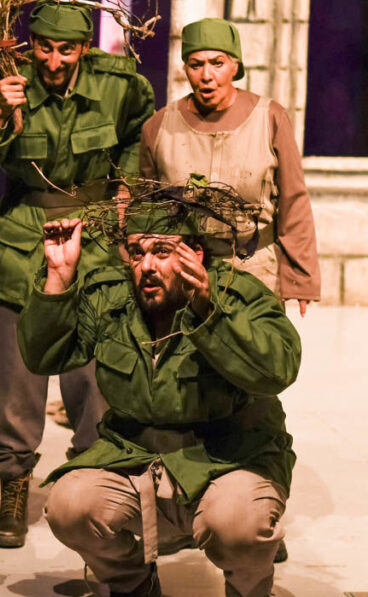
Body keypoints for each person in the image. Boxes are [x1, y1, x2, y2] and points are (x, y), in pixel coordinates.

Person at [22, 200, 299, 597]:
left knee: (237, 526)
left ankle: (250, 590)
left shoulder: (238, 294)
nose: (147, 265)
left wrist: (209, 312)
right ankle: (134, 585)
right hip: (136, 457)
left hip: (227, 460)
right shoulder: (112, 298)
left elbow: (279, 370)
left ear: (196, 253)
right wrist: (59, 278)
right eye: (137, 252)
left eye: (162, 251)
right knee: (69, 508)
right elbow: (44, 356)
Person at [0, 0, 155, 547]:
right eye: (44, 47)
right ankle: (13, 482)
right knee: (18, 374)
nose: (53, 60)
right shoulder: (5, 81)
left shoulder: (118, 85)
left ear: (85, 49)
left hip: (95, 238)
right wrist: (0, 116)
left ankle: (90, 477)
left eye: (66, 50)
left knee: (94, 374)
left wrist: (124, 188)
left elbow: (138, 134)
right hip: (24, 238)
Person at [139, 17, 320, 316]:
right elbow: (145, 208)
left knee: (253, 343)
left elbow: (293, 202)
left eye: (217, 63)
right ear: (185, 68)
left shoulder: (270, 118)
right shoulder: (159, 127)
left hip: (255, 269)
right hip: (182, 269)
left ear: (235, 66)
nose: (206, 76)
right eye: (196, 65)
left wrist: (299, 279)